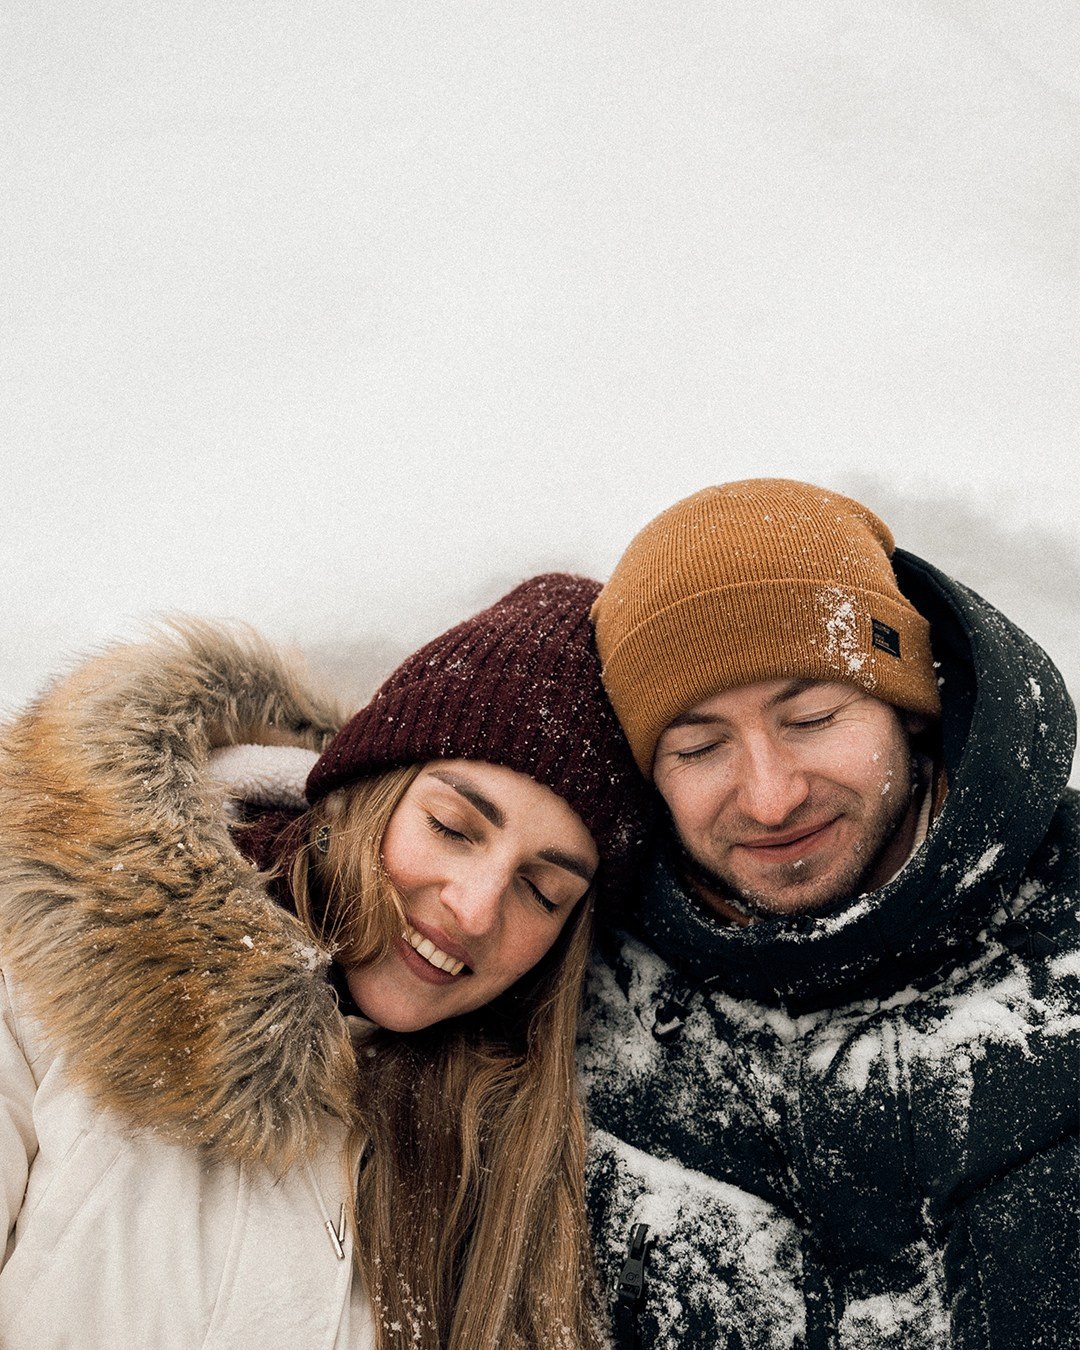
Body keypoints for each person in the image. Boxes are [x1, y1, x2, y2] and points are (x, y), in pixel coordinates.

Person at [0, 574, 649, 1350]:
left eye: (542, 890)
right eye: (452, 827)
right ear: (363, 791)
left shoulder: (518, 1161)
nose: (475, 909)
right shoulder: (57, 955)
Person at [579, 480, 1078, 1349]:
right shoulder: (580, 1018)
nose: (771, 799)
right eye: (698, 747)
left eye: (811, 717)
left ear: (907, 705)